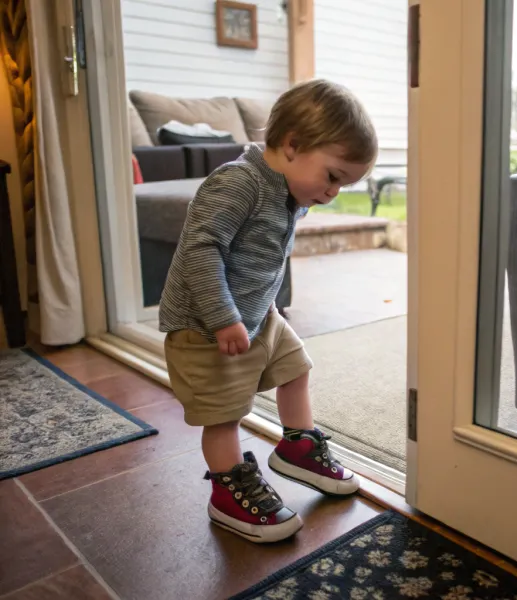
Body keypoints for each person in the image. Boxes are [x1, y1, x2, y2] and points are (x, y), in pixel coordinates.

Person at [159, 79, 378, 543]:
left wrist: (259, 308)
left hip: (260, 316)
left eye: (346, 183)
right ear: (293, 145)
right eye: (334, 176)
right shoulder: (238, 182)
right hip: (205, 325)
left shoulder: (290, 188)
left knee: (296, 367)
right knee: (223, 414)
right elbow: (201, 250)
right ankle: (227, 491)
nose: (335, 192)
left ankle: (298, 446)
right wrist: (223, 317)